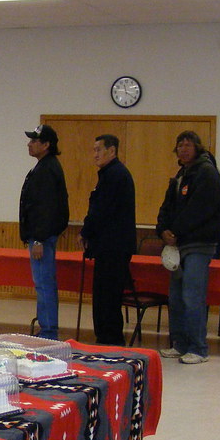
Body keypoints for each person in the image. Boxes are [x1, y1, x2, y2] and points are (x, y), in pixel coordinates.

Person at [155, 130, 220, 364]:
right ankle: (180, 343)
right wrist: (162, 230)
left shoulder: (206, 173)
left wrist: (177, 231)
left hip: (198, 244)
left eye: (187, 144)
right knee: (176, 297)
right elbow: (166, 207)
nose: (183, 149)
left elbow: (199, 210)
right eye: (180, 145)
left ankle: (198, 348)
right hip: (178, 245)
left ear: (197, 147)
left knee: (192, 295)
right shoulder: (181, 174)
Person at [79, 134, 136, 346]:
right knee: (103, 296)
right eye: (93, 150)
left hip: (114, 246)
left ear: (111, 151)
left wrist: (86, 232)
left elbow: (101, 211)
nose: (94, 154)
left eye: (98, 150)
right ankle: (104, 337)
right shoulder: (109, 174)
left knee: (108, 297)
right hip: (108, 246)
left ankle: (110, 340)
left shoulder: (116, 175)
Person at [19, 124, 69, 340]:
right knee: (44, 282)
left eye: (34, 141)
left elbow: (45, 207)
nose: (29, 144)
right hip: (42, 235)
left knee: (44, 283)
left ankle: (49, 331)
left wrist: (38, 239)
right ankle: (46, 327)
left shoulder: (47, 169)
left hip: (42, 236)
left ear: (47, 144)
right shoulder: (44, 166)